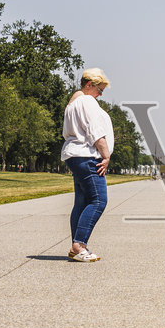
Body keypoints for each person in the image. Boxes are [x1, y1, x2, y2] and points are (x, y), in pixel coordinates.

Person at [61, 67, 114, 261]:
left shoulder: (74, 103)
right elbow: (95, 130)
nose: (100, 94)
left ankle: (76, 247)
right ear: (90, 85)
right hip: (87, 156)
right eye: (99, 90)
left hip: (75, 156)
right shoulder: (87, 101)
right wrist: (105, 156)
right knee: (99, 200)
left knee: (81, 203)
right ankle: (79, 245)